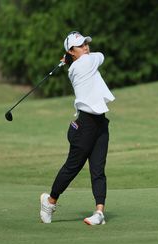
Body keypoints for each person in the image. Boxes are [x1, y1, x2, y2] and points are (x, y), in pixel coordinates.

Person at [40, 31, 115, 225]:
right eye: (81, 46)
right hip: (84, 126)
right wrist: (71, 59)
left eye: (86, 44)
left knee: (98, 169)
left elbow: (93, 57)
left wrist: (67, 58)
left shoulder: (78, 64)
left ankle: (99, 213)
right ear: (71, 51)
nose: (86, 48)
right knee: (72, 167)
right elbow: (102, 56)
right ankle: (50, 202)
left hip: (99, 123)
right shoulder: (86, 63)